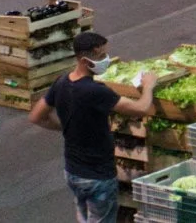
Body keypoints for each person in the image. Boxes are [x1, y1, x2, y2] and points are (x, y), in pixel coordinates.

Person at [29, 32, 157, 223]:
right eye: (100, 57)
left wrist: (66, 127)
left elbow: (36, 116)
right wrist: (148, 86)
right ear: (84, 60)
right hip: (98, 177)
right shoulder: (95, 91)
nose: (106, 60)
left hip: (73, 172)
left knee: (84, 216)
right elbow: (140, 108)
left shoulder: (61, 83)